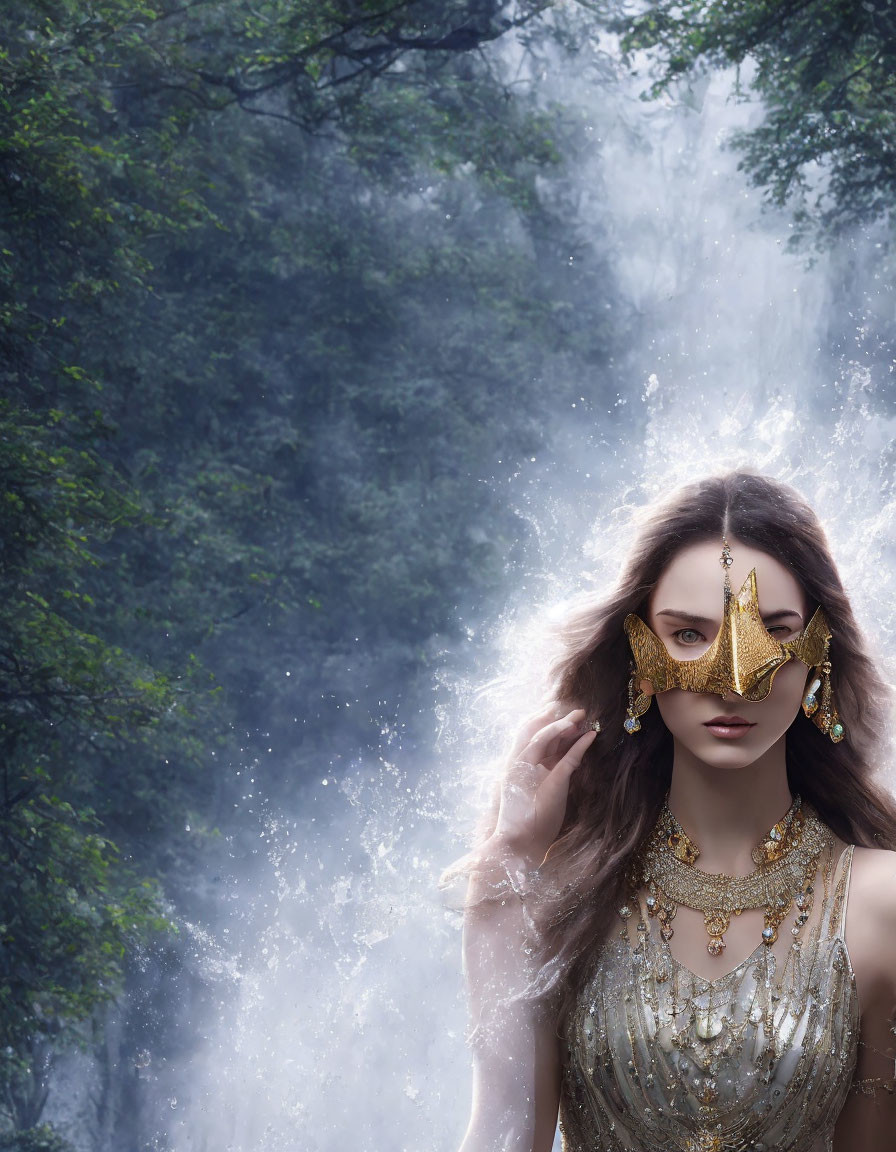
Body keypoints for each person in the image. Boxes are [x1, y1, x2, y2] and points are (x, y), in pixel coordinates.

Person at [447, 471, 896, 1152]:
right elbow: (505, 1138)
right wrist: (503, 876)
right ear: (639, 654)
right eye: (689, 634)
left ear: (819, 655)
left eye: (774, 632)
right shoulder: (553, 897)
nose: (732, 679)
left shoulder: (883, 904)